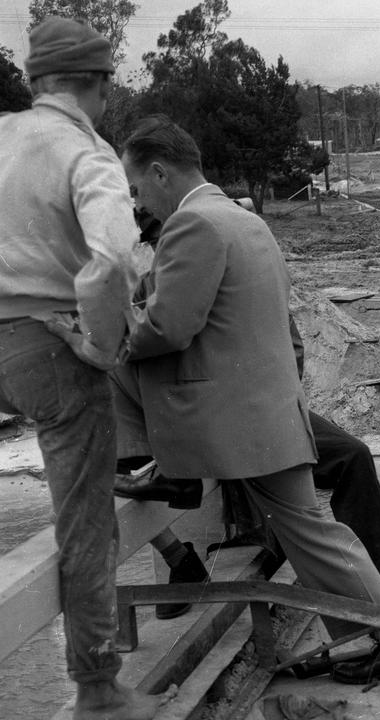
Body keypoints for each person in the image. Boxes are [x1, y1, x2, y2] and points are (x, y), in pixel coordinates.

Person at [109, 115, 380, 685]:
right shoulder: (246, 221)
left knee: (106, 356)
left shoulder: (192, 226)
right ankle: (368, 639)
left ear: (159, 172)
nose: (138, 201)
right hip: (270, 413)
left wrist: (111, 321)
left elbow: (167, 331)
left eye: (137, 188)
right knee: (314, 536)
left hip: (233, 424)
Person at [0, 17, 163, 720]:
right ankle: (97, 686)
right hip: (48, 346)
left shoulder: (4, 136)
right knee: (85, 522)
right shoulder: (84, 152)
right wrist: (101, 346)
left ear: (38, 82)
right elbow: (111, 264)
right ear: (96, 86)